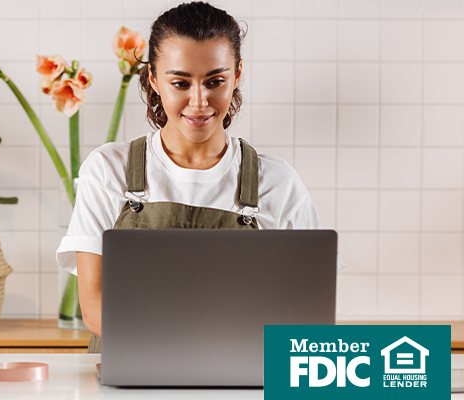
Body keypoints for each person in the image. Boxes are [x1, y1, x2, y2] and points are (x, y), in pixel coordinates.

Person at [55, 1, 344, 354]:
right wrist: (181, 355)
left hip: (242, 375)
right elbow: (95, 304)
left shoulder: (278, 182)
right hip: (128, 373)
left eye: (215, 81)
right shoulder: (108, 170)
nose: (199, 102)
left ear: (238, 74)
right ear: (153, 79)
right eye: (180, 82)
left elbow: (308, 308)